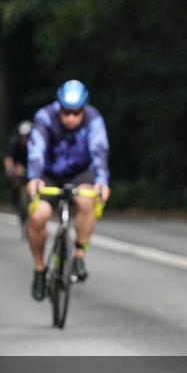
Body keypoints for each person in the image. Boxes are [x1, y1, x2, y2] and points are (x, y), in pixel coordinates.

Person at [25, 80, 111, 301]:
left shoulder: (94, 119)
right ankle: (39, 269)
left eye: (76, 112)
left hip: (80, 173)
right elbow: (36, 149)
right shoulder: (45, 117)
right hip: (50, 174)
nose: (70, 118)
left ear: (84, 108)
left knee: (86, 201)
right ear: (58, 106)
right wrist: (34, 178)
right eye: (65, 112)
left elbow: (99, 151)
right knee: (37, 216)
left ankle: (79, 254)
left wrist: (101, 181)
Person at [4, 121, 33, 227]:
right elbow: (9, 158)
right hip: (19, 167)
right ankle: (16, 200)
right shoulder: (15, 143)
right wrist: (10, 169)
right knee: (15, 182)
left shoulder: (36, 143)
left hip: (33, 168)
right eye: (23, 136)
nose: (25, 138)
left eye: (27, 136)